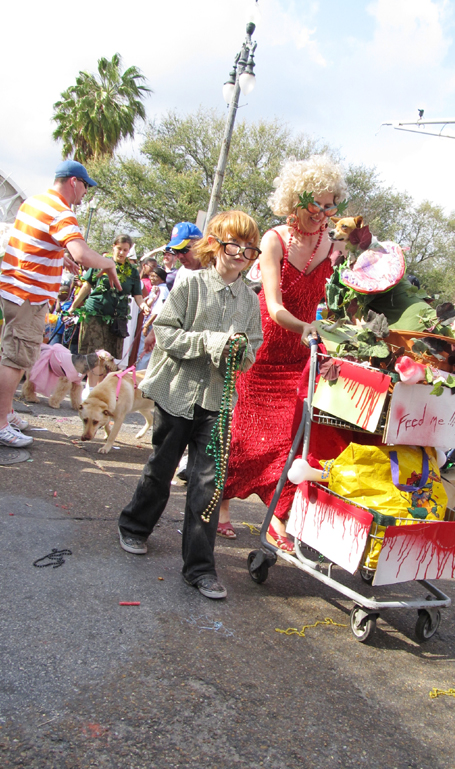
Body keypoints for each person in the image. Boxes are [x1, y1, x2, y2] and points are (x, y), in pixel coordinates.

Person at [117, 210, 263, 600]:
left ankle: (199, 568)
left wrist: (239, 350)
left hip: (217, 402)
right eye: (233, 244)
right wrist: (209, 343)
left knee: (207, 484)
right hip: (177, 394)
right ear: (214, 243)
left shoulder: (250, 301)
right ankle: (134, 525)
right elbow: (165, 331)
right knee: (161, 466)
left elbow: (254, 347)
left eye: (249, 248)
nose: (240, 254)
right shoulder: (191, 284)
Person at [219, 155, 347, 549]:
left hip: (301, 354)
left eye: (330, 206)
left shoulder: (333, 245)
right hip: (262, 348)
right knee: (242, 434)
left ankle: (279, 515)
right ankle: (220, 506)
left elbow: (337, 302)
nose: (322, 214)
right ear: (295, 200)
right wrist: (306, 327)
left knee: (287, 437)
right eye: (315, 205)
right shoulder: (274, 239)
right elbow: (274, 308)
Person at [0, 159, 120, 448]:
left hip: (16, 289)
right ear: (73, 182)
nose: (85, 194)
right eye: (85, 187)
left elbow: (36, 242)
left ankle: (7, 412)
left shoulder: (35, 202)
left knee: (14, 354)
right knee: (15, 360)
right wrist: (108, 263)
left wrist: (57, 255)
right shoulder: (60, 210)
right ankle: (1, 423)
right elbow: (81, 254)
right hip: (29, 293)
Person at [70, 234, 144, 383]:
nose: (122, 253)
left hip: (117, 319)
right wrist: (73, 307)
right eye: (119, 249)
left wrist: (144, 306)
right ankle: (91, 389)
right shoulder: (100, 263)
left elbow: (137, 295)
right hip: (95, 314)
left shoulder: (133, 272)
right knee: (95, 354)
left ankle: (98, 389)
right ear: (113, 247)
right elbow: (87, 285)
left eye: (125, 250)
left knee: (108, 358)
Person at [164, 223, 203, 290]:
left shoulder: (217, 268)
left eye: (183, 250)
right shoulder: (183, 273)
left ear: (199, 245)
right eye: (176, 251)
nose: (179, 256)